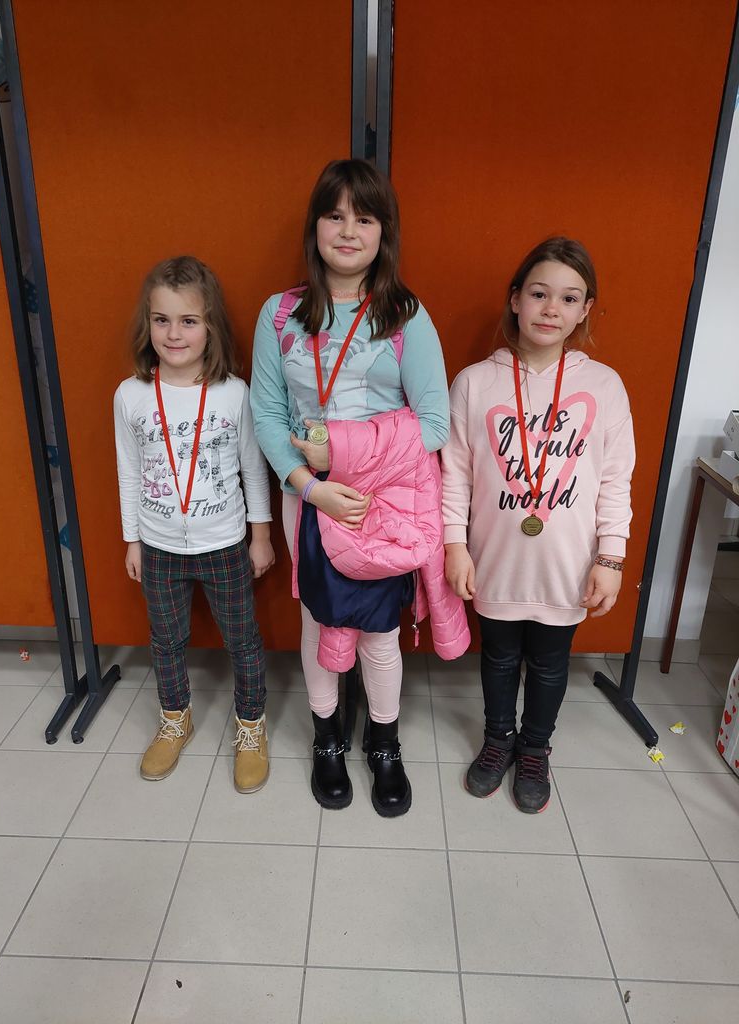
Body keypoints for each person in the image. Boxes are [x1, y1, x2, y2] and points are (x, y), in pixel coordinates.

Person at [251, 158, 465, 817]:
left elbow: (434, 423)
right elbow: (268, 415)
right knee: (318, 618)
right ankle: (326, 737)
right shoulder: (281, 314)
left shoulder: (404, 314)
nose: (348, 231)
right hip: (307, 496)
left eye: (364, 218)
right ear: (315, 226)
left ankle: (384, 742)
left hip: (381, 501)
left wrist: (348, 460)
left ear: (383, 232)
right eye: (335, 215)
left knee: (377, 631)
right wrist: (309, 488)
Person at [442, 237, 634, 813]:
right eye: (539, 294)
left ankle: (534, 748)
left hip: (567, 564)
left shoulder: (605, 386)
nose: (552, 309)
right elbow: (454, 474)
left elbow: (616, 479)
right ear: (516, 299)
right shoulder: (474, 382)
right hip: (495, 558)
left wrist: (611, 557)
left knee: (550, 664)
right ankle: (498, 739)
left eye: (569, 298)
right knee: (499, 657)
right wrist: (455, 545)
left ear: (585, 309)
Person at [114, 256, 274, 791]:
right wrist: (132, 540)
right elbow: (129, 471)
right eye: (161, 320)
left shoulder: (234, 393)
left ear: (211, 326)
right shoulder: (131, 395)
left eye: (188, 321)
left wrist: (261, 536)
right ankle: (174, 718)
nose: (174, 334)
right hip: (158, 546)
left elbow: (254, 468)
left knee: (243, 641)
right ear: (147, 324)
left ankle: (250, 726)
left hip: (224, 543)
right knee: (166, 641)